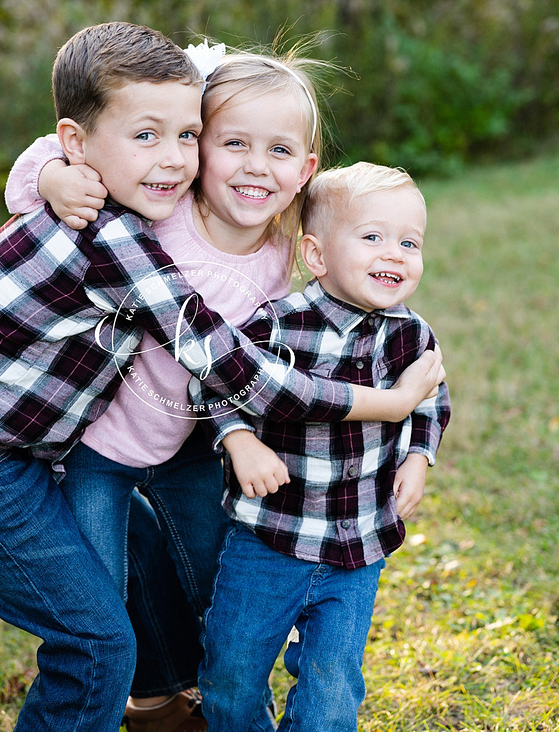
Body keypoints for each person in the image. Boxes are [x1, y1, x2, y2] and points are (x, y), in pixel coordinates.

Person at [0, 23, 443, 732]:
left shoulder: (274, 241)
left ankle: (178, 696)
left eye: (185, 137)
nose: (247, 166)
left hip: (181, 440)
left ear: (302, 169)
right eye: (228, 143)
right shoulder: (143, 220)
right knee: (97, 610)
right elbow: (239, 368)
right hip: (78, 450)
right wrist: (387, 404)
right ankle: (135, 690)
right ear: (205, 151)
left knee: (212, 577)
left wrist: (411, 431)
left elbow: (344, 250)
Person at [193, 162, 452, 731]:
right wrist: (238, 441)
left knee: (333, 686)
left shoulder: (413, 335)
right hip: (269, 538)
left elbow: (430, 399)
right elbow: (212, 380)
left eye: (410, 242)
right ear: (316, 254)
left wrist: (417, 456)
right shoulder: (278, 326)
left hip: (358, 542)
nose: (395, 254)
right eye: (373, 237)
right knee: (231, 675)